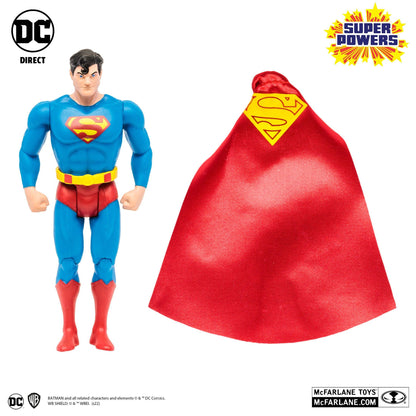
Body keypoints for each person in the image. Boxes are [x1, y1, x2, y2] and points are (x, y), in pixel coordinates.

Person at [19, 49, 152, 351]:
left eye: (93, 74)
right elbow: (28, 151)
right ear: (71, 74)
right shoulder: (49, 111)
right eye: (82, 74)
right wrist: (30, 189)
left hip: (106, 194)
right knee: (67, 263)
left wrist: (140, 188)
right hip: (68, 194)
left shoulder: (123, 110)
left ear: (100, 75)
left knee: (105, 263)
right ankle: (69, 330)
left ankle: (100, 329)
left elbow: (143, 150)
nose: (88, 81)